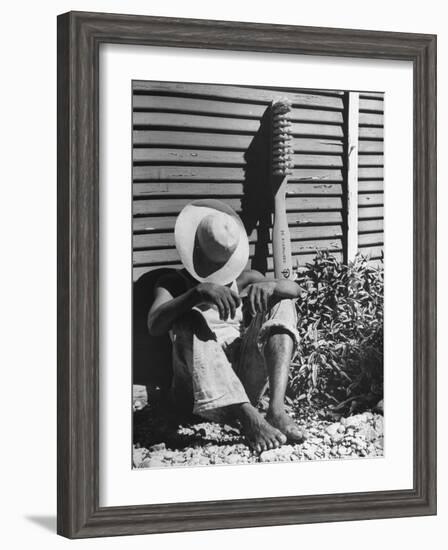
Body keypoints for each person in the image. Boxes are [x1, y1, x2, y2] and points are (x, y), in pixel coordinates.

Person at [147, 199, 305, 453]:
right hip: (198, 391)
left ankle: (276, 410)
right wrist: (195, 295)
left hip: (242, 381)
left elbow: (296, 290)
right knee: (190, 318)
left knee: (283, 303)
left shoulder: (243, 280)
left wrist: (271, 286)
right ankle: (248, 418)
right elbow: (154, 323)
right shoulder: (173, 283)